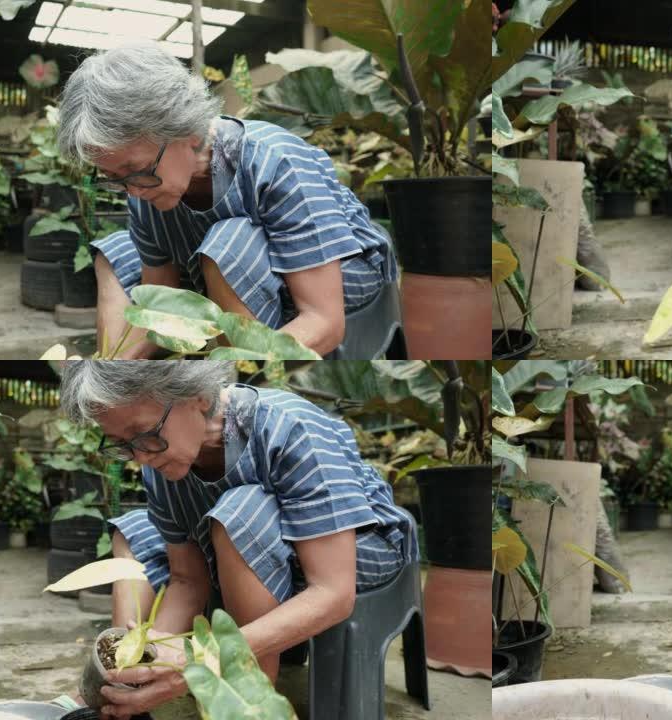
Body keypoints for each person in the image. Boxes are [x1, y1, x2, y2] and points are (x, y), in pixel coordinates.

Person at [57, 361, 416, 718]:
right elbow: (187, 579)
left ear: (197, 396)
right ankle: (122, 687)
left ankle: (248, 703)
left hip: (359, 554)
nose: (139, 457)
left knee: (240, 514)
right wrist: (151, 658)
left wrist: (196, 661)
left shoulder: (288, 427)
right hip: (240, 555)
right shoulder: (161, 464)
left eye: (143, 432)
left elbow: (333, 594)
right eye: (122, 445)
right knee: (135, 531)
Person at [55, 43, 397, 358]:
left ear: (186, 131)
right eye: (114, 178)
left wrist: (236, 366)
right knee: (117, 252)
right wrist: (112, 372)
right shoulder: (145, 191)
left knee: (227, 244)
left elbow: (324, 322)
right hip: (225, 271)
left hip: (339, 276)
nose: (132, 190)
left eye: (136, 170)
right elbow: (163, 304)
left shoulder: (273, 161)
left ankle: (243, 359)